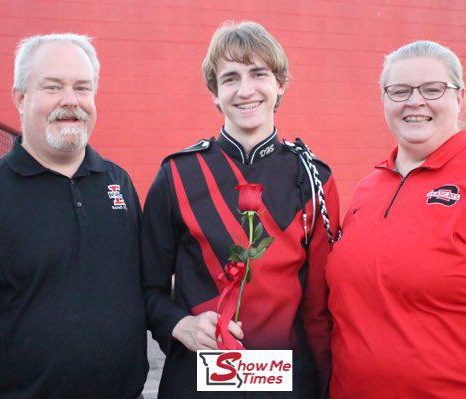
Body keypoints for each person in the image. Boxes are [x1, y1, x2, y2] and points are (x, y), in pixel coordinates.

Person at [326, 40, 466, 398]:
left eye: (432, 89)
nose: (415, 101)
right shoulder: (368, 189)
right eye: (399, 91)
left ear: (459, 99)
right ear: (384, 100)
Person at [0, 33, 148, 398]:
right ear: (21, 99)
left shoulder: (118, 183)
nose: (71, 101)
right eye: (53, 87)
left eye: (82, 88)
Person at [142, 21, 340, 398]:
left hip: (288, 383)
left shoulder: (314, 178)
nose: (245, 90)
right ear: (215, 93)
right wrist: (179, 324)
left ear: (280, 84)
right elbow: (147, 290)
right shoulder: (176, 174)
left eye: (259, 74)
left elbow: (319, 310)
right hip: (195, 380)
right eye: (230, 78)